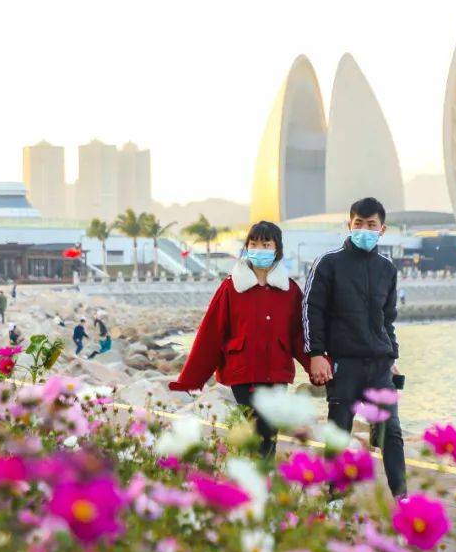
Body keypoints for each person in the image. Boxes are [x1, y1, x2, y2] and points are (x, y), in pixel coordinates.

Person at [169, 221, 311, 459]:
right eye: (253, 244)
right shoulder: (231, 287)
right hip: (242, 372)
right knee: (256, 424)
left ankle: (261, 478)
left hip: (277, 371)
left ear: (277, 249)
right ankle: (257, 476)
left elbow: (299, 335)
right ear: (246, 247)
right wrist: (190, 379)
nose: (259, 249)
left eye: (266, 244)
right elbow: (211, 333)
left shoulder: (290, 290)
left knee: (269, 429)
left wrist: (316, 366)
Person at [303, 197, 407, 498]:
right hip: (343, 364)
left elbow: (388, 319)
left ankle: (402, 498)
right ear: (349, 225)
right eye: (358, 224)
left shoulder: (387, 268)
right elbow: (312, 309)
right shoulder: (329, 263)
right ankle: (333, 500)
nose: (364, 229)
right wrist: (316, 355)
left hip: (378, 365)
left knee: (392, 433)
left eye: (371, 225)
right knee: (339, 431)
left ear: (382, 229)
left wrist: (392, 356)